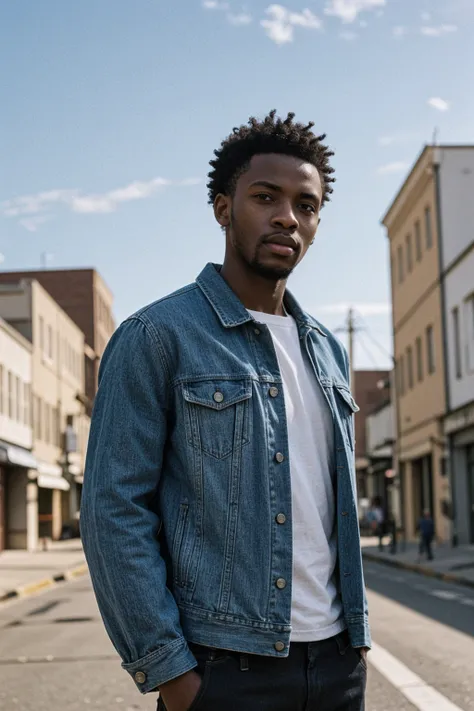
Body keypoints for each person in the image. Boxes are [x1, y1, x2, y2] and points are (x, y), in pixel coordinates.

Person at [81, 110, 370, 711]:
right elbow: (113, 508)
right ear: (222, 208)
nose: (288, 216)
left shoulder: (329, 352)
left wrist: (355, 648)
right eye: (266, 196)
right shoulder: (157, 335)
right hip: (224, 670)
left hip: (338, 663)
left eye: (306, 205)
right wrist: (173, 674)